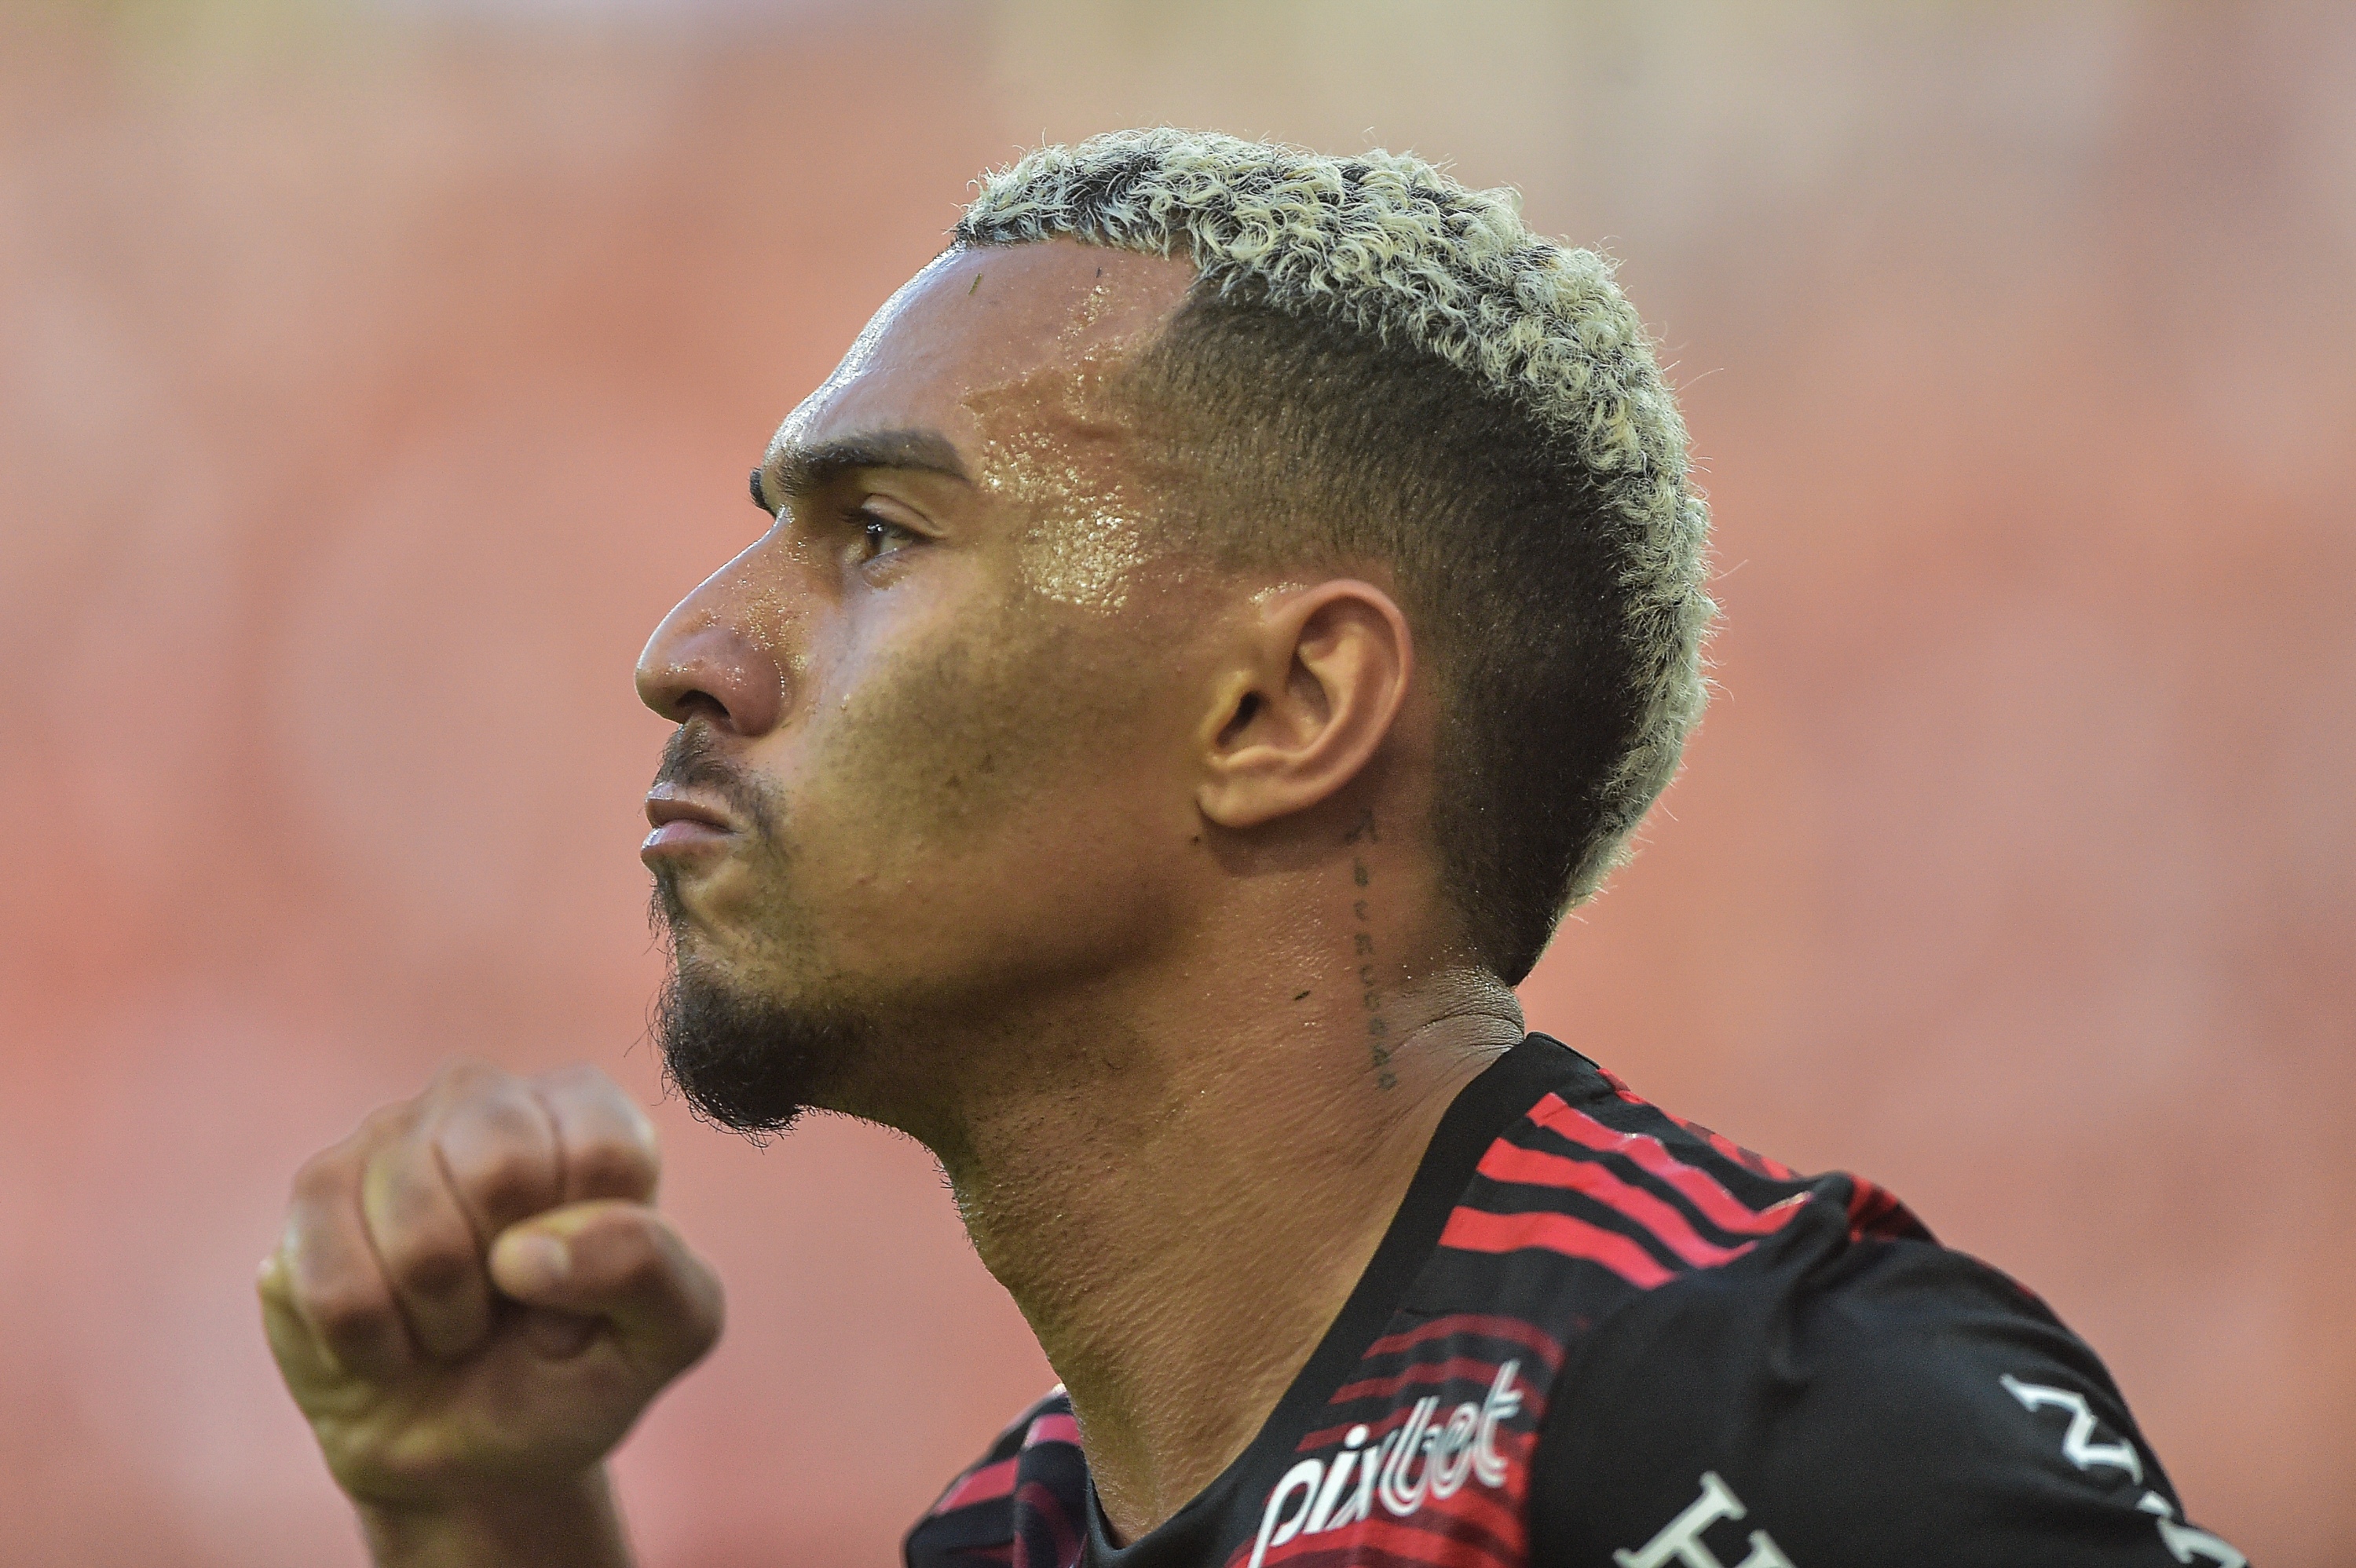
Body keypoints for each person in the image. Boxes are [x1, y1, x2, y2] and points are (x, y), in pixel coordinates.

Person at [257, 130, 2242, 1568]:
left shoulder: (1757, 1414)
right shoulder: (1008, 1537)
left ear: (1283, 711)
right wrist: (482, 1512)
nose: (686, 647)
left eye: (879, 535)